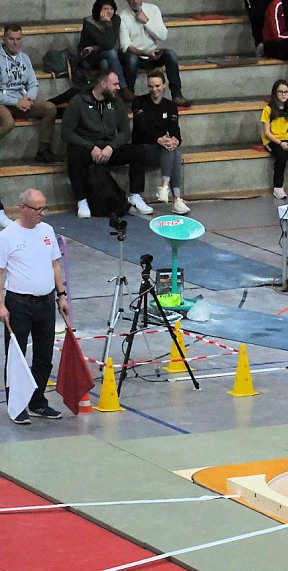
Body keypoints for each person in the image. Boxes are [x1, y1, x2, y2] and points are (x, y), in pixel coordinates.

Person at [1, 188, 70, 425]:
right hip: (18, 303)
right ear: (23, 208)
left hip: (45, 302)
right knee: (16, 356)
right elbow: (0, 273)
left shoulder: (47, 231)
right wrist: (1, 305)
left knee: (44, 356)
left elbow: (55, 265)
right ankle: (16, 404)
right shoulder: (7, 236)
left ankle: (37, 401)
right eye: (36, 209)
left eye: (43, 208)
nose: (41, 213)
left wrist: (62, 295)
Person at [61, 71, 151, 218]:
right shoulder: (78, 102)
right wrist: (90, 147)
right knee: (74, 154)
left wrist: (111, 147)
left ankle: (135, 195)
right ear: (103, 84)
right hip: (88, 148)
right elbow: (66, 133)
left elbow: (125, 133)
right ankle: (82, 200)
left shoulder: (117, 102)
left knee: (138, 151)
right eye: (114, 84)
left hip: (109, 148)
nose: (118, 87)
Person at [0, 24, 61, 164]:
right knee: (8, 123)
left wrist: (28, 98)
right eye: (11, 39)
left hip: (21, 101)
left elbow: (33, 84)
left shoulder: (25, 58)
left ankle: (43, 151)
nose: (15, 42)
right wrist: (16, 102)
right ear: (4, 38)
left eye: (18, 39)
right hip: (3, 102)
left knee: (49, 108)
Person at [132, 69, 189, 214]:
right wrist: (159, 139)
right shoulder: (139, 102)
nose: (154, 89)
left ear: (164, 85)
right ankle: (172, 195)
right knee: (170, 149)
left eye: (157, 86)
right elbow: (141, 127)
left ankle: (171, 194)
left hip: (162, 149)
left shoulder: (170, 106)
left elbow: (175, 129)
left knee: (173, 149)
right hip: (143, 147)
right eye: (151, 86)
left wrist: (176, 140)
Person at [118, 0, 191, 106]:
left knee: (170, 55)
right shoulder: (123, 16)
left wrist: (146, 22)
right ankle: (129, 94)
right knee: (131, 59)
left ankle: (177, 95)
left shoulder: (153, 9)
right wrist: (145, 53)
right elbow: (125, 46)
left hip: (154, 54)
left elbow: (163, 35)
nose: (135, 1)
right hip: (136, 55)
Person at [78, 0, 129, 98]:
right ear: (99, 10)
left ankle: (111, 94)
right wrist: (108, 24)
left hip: (103, 55)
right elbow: (108, 44)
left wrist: (95, 47)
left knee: (105, 63)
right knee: (111, 53)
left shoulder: (116, 19)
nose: (109, 12)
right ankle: (122, 87)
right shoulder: (89, 23)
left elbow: (111, 42)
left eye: (111, 9)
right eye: (106, 8)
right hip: (89, 58)